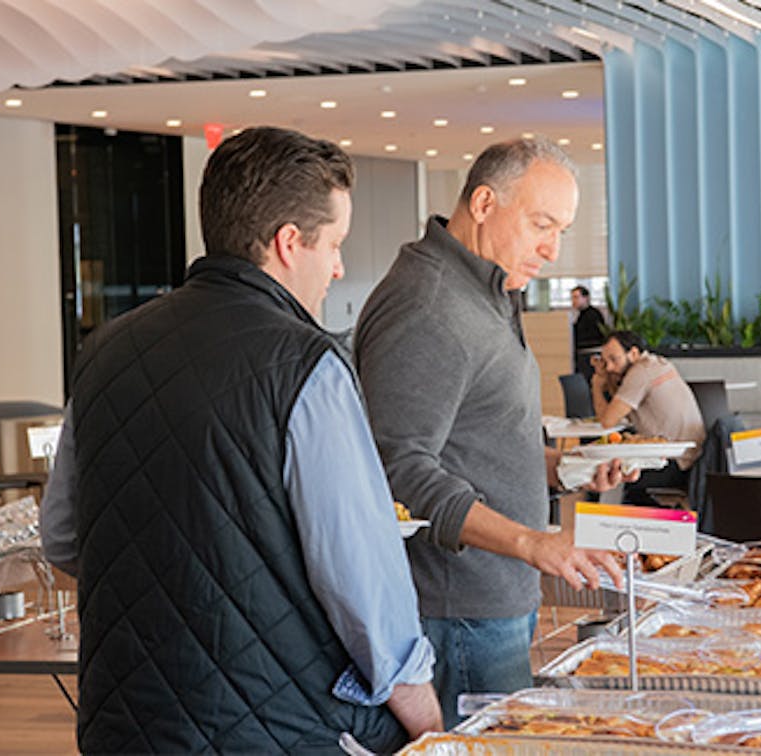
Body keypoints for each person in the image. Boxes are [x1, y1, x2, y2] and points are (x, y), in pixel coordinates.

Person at [39, 127, 441, 753]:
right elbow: (362, 580)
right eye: (334, 244)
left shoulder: (102, 351)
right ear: (288, 243)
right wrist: (427, 719)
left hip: (123, 725)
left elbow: (63, 537)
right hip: (275, 732)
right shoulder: (307, 365)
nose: (338, 266)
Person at [353, 137, 633, 728]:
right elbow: (397, 466)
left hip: (497, 595)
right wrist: (532, 543)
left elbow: (478, 439)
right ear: (484, 203)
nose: (553, 249)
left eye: (563, 229)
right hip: (460, 610)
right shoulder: (429, 306)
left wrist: (568, 466)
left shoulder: (486, 289)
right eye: (541, 224)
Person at [591, 330, 706, 504]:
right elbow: (621, 404)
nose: (609, 367)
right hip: (691, 457)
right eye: (606, 362)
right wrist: (609, 377)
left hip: (677, 463)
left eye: (614, 360)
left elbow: (607, 421)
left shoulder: (641, 373)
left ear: (634, 353)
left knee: (602, 476)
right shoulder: (655, 364)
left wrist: (597, 385)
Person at [571, 285, 605, 382]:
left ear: (586, 298)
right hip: (584, 354)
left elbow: (591, 336)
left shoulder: (593, 314)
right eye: (572, 298)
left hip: (589, 354)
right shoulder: (581, 315)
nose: (573, 301)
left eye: (576, 297)